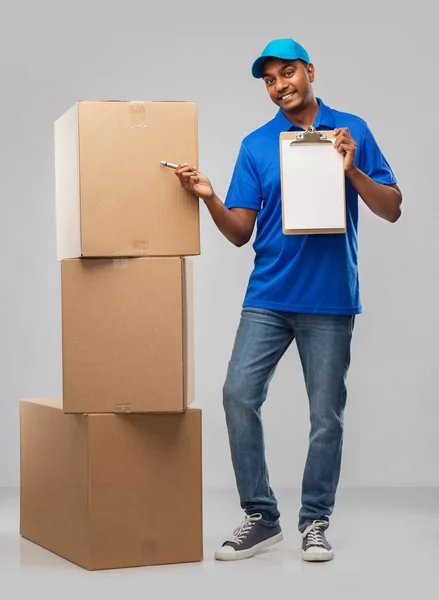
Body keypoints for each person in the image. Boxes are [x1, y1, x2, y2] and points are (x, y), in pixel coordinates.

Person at [175, 38, 402, 563]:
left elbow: (391, 209)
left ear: (310, 71)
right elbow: (238, 234)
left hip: (330, 299)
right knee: (237, 394)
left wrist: (352, 169)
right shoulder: (256, 146)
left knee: (326, 416)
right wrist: (209, 195)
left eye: (288, 73)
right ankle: (262, 516)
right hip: (269, 297)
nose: (280, 85)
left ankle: (315, 520)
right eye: (270, 80)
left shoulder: (352, 131)